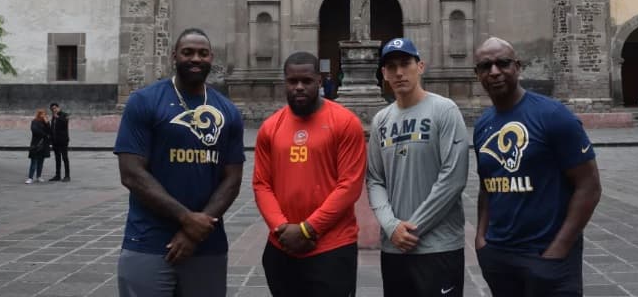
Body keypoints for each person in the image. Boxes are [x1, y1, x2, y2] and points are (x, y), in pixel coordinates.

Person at [114, 28, 245, 297]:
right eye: (188, 52)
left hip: (207, 243)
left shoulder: (228, 111)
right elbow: (131, 173)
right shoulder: (144, 101)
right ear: (174, 56)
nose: (195, 58)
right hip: (149, 239)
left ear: (212, 58)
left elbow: (232, 179)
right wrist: (187, 219)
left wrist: (197, 229)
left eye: (202, 53)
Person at [473, 37, 602, 297]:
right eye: (486, 66)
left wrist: (559, 249)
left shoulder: (553, 115)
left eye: (503, 63)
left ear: (518, 67)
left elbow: (589, 185)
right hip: (499, 256)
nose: (494, 72)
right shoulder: (483, 125)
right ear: (478, 74)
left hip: (546, 255)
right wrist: (481, 239)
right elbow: (487, 186)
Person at [253, 51, 367, 297]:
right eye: (293, 81)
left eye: (306, 81)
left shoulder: (345, 123)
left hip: (331, 247)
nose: (299, 87)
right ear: (285, 82)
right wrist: (281, 228)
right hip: (281, 246)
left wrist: (307, 229)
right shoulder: (270, 128)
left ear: (319, 80)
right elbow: (262, 184)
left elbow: (350, 185)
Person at [366, 37, 469, 297]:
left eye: (405, 64)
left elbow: (453, 179)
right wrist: (391, 227)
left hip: (438, 246)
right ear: (384, 74)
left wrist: (411, 229)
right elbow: (375, 179)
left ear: (420, 66)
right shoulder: (381, 120)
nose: (399, 72)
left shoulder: (445, 110)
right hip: (394, 248)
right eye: (391, 67)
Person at [26, 109, 51, 184]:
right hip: (36, 144)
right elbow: (35, 130)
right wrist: (44, 134)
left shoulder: (46, 122)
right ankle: (30, 178)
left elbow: (50, 131)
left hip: (44, 145)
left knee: (41, 162)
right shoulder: (34, 121)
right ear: (38, 114)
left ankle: (39, 176)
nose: (43, 115)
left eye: (44, 114)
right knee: (34, 162)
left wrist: (47, 123)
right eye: (42, 114)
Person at [48, 102, 70, 182]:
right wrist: (50, 140)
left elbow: (65, 123)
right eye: (52, 109)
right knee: (57, 158)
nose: (54, 110)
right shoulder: (53, 117)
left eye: (55, 108)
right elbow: (52, 128)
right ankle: (58, 175)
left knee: (65, 158)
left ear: (58, 107)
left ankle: (67, 176)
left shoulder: (65, 115)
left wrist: (58, 117)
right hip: (55, 141)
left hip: (63, 141)